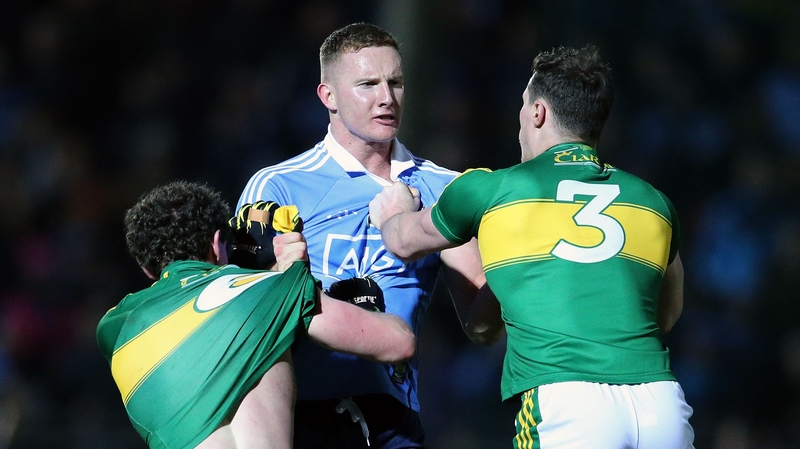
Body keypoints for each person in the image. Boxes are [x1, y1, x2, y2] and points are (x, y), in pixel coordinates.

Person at [369, 45, 695, 449]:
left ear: (538, 112)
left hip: (568, 403)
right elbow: (666, 315)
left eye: (523, 105)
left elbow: (402, 241)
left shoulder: (494, 190)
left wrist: (394, 211)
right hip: (660, 406)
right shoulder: (654, 202)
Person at [236, 22, 502, 448]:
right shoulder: (278, 186)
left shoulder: (444, 189)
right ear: (328, 96)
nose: (387, 98)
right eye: (368, 84)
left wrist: (516, 256)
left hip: (394, 425)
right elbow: (244, 314)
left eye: (395, 83)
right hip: (300, 415)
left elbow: (482, 325)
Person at [96, 180, 415, 449]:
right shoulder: (274, 290)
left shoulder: (115, 327)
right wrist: (294, 274)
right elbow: (398, 343)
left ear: (146, 269)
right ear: (217, 243)